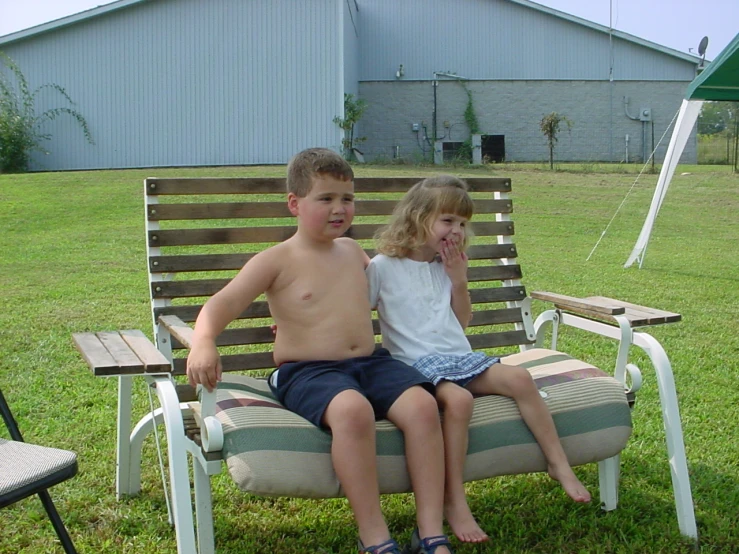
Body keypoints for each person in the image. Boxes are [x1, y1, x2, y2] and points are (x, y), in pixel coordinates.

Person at [186, 148, 453, 554]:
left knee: (422, 406)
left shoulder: (352, 252)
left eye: (347, 198)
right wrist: (204, 341)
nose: (339, 209)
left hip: (369, 363)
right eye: (325, 199)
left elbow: (393, 293)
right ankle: (374, 534)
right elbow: (219, 305)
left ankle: (430, 529)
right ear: (295, 203)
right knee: (352, 410)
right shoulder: (276, 259)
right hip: (309, 372)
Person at [367, 175, 591, 544]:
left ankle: (558, 463)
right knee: (458, 400)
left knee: (519, 379)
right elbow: (356, 310)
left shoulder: (448, 265)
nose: (456, 230)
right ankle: (454, 499)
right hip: (414, 364)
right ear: (418, 217)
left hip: (458, 357)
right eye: (447, 221)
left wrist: (458, 280)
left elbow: (462, 322)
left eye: (462, 223)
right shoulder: (383, 267)